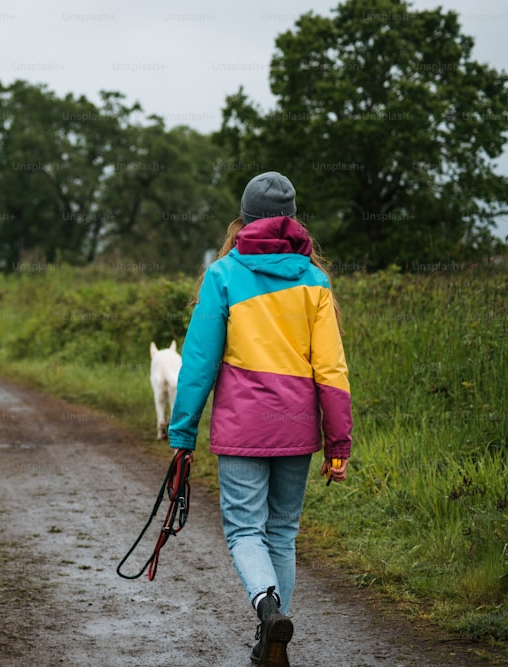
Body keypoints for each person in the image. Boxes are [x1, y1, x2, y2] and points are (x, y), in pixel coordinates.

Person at [168, 171, 353, 667]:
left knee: (246, 532)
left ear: (244, 219)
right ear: (291, 221)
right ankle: (272, 634)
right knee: (282, 533)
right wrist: (338, 443)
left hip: (244, 428)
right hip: (296, 428)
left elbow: (199, 361)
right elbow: (331, 369)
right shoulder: (314, 280)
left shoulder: (223, 274)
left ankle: (268, 612)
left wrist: (182, 432)